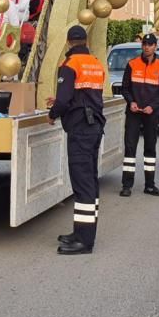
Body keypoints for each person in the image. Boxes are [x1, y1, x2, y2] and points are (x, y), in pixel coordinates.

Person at [47, 25, 106, 255]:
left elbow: (63, 101)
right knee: (89, 180)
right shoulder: (95, 63)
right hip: (94, 126)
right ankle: (81, 231)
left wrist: (53, 114)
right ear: (84, 41)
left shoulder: (69, 65)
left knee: (82, 184)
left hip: (80, 128)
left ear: (69, 42)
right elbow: (86, 94)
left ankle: (84, 241)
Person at [120, 33, 159, 197]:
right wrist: (131, 102)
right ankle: (127, 185)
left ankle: (150, 185)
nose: (147, 47)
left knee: (150, 148)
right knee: (130, 148)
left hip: (151, 113)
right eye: (144, 44)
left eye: (150, 44)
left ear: (156, 46)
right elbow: (125, 88)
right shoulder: (132, 64)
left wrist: (153, 107)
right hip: (134, 112)